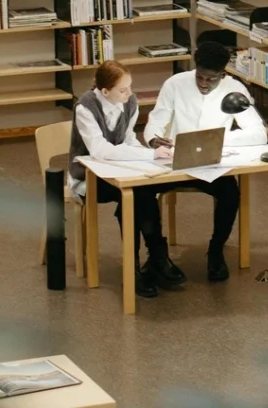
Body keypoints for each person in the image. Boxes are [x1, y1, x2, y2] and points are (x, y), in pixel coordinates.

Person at [143, 42, 268, 281]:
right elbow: (155, 123)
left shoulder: (234, 89)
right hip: (174, 164)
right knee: (142, 193)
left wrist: (220, 141)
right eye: (199, 77)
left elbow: (258, 133)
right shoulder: (175, 84)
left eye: (211, 80)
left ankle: (216, 250)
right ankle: (157, 253)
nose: (203, 84)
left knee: (231, 194)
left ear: (223, 74)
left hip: (211, 166)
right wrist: (154, 142)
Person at [69, 60, 184, 299]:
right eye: (123, 90)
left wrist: (148, 156)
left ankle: (148, 261)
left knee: (141, 191)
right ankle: (150, 261)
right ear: (105, 91)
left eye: (130, 87)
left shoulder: (128, 102)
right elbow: (100, 150)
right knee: (136, 194)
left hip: (120, 170)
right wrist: (148, 154)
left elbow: (128, 139)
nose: (129, 94)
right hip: (88, 177)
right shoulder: (85, 108)